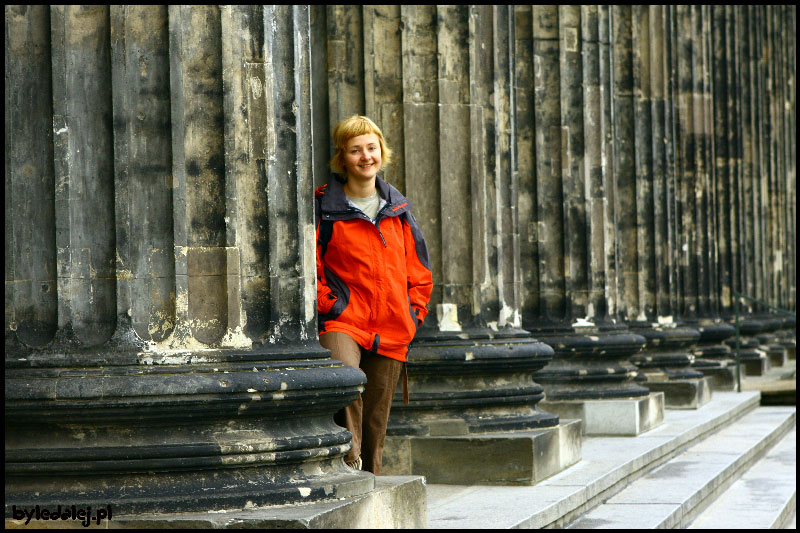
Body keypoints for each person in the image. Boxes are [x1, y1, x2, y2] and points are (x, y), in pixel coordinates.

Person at [315, 115, 433, 474]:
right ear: (342, 157)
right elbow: (310, 265)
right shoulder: (325, 208)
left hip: (392, 324)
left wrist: (413, 316)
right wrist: (330, 305)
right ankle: (349, 466)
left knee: (377, 416)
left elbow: (420, 274)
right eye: (355, 150)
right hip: (345, 319)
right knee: (347, 382)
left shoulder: (399, 212)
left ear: (381, 151)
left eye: (371, 147)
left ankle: (371, 478)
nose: (366, 156)